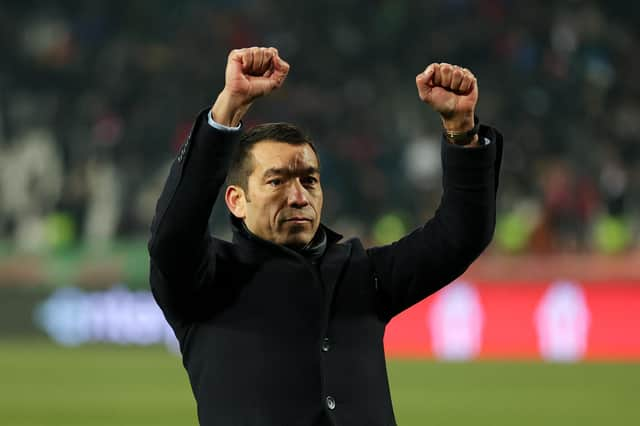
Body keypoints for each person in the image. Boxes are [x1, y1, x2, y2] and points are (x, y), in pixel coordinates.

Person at [148, 46, 502, 426]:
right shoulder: (205, 281)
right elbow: (173, 234)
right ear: (236, 201)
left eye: (309, 180)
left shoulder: (362, 276)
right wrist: (228, 108)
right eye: (277, 180)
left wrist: (462, 131)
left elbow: (461, 234)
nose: (299, 195)